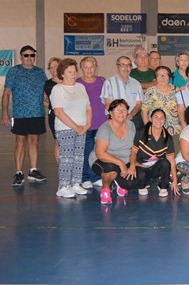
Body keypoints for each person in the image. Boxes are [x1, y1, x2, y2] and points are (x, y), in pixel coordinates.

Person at [2, 45, 48, 187]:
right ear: (21, 57)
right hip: (20, 114)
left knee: (34, 141)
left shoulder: (40, 73)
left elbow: (46, 93)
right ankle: (19, 172)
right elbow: (6, 94)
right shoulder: (13, 71)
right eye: (26, 55)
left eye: (32, 55)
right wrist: (4, 113)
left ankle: (33, 170)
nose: (29, 58)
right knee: (20, 142)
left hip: (37, 113)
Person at [50, 58, 92, 198]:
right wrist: (76, 127)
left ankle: (75, 183)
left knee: (78, 157)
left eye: (74, 71)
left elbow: (88, 107)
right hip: (65, 129)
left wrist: (87, 125)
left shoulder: (81, 87)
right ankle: (63, 186)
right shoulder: (57, 89)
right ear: (62, 74)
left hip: (82, 128)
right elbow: (59, 112)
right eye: (69, 72)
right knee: (66, 158)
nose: (73, 74)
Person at [89, 99, 137, 205]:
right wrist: (121, 164)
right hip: (103, 160)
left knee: (131, 183)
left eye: (124, 110)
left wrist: (132, 165)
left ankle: (119, 183)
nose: (121, 113)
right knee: (110, 169)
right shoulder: (105, 129)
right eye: (118, 110)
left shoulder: (131, 125)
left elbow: (134, 148)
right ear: (110, 113)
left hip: (125, 159)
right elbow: (100, 153)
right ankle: (105, 190)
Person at [132, 109, 179, 197]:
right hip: (141, 166)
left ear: (165, 120)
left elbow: (172, 160)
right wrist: (132, 165)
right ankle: (143, 185)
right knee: (140, 179)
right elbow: (133, 152)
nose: (159, 120)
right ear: (150, 119)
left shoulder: (168, 138)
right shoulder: (141, 132)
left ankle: (162, 186)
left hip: (155, 167)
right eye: (156, 117)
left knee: (165, 163)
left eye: (162, 118)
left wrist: (175, 180)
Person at [77, 56, 107, 189]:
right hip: (86, 124)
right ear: (81, 68)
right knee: (86, 152)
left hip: (101, 123)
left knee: (98, 152)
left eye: (91, 67)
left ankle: (96, 176)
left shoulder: (102, 81)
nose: (89, 70)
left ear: (96, 67)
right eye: (86, 67)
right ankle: (85, 178)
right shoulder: (77, 83)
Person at [101, 56, 144, 130]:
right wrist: (120, 117)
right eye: (123, 65)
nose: (126, 68)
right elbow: (108, 104)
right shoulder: (109, 82)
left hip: (133, 119)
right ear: (117, 67)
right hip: (116, 120)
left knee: (135, 141)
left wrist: (130, 115)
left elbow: (139, 104)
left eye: (128, 65)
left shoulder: (136, 83)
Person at [142, 66, 180, 136]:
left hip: (175, 129)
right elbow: (144, 112)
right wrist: (147, 129)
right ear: (155, 77)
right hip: (156, 129)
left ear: (169, 77)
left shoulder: (176, 90)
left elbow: (181, 109)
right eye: (159, 75)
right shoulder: (150, 92)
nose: (163, 77)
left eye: (165, 75)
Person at [44, 57, 61, 162]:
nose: (54, 68)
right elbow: (43, 100)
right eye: (51, 67)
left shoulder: (68, 81)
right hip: (54, 117)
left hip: (70, 116)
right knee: (58, 141)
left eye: (56, 66)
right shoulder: (47, 84)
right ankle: (61, 168)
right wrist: (53, 107)